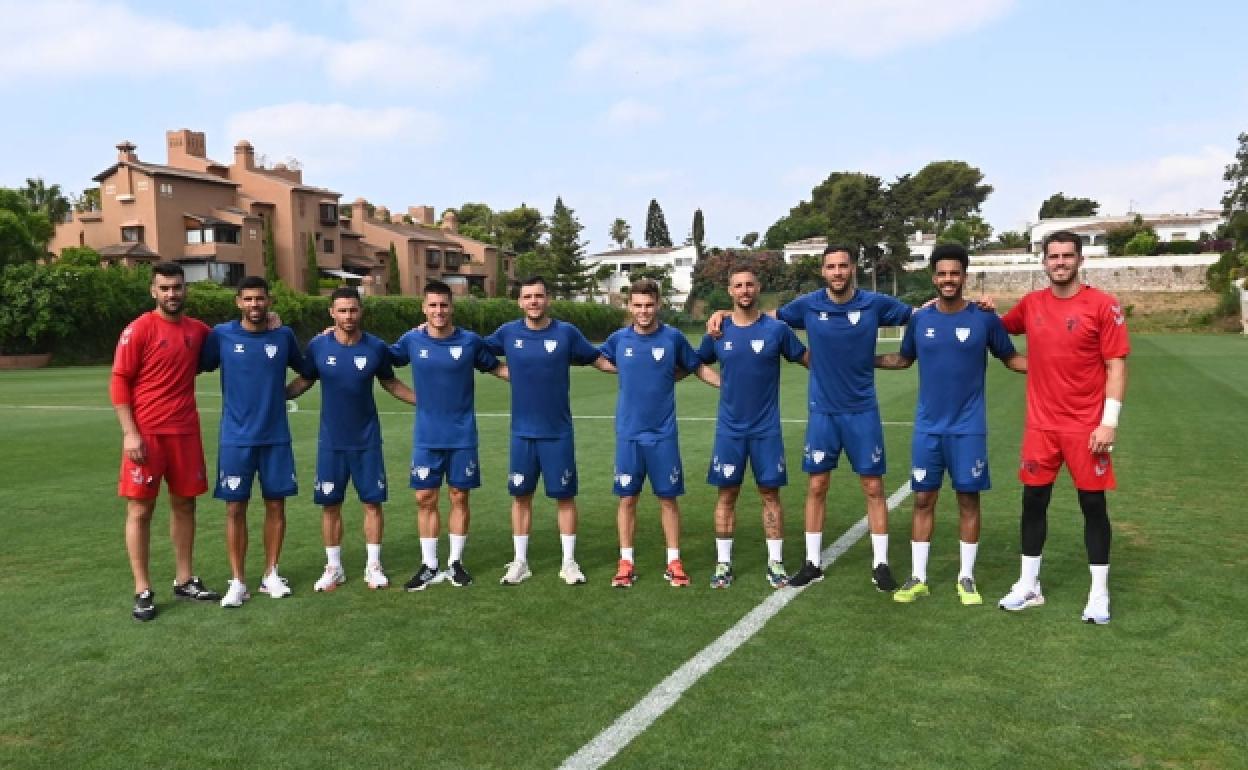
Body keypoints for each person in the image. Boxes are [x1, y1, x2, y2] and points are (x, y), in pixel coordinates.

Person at [714, 246, 914, 590]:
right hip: (822, 411)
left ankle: (881, 564)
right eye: (831, 267)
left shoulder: (876, 304)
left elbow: (923, 315)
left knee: (873, 486)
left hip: (862, 410)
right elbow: (761, 316)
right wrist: (722, 312)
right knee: (817, 485)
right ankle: (811, 562)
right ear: (823, 271)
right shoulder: (807, 305)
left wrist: (876, 359)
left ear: (853, 267)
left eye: (843, 265)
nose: (838, 272)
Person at [874, 243, 1025, 605]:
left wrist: (1055, 367)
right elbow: (903, 359)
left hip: (969, 429)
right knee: (923, 498)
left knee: (968, 500)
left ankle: (966, 577)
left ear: (964, 276)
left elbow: (1011, 358)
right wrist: (864, 360)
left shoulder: (984, 319)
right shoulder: (921, 319)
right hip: (928, 428)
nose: (948, 280)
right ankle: (918, 577)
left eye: (954, 273)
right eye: (941, 273)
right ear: (933, 277)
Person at [996, 230, 1129, 624]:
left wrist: (1109, 422)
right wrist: (980, 308)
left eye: (1067, 256)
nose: (1059, 263)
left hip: (1087, 427)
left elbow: (1116, 365)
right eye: (1053, 256)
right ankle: (1029, 585)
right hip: (1041, 427)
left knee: (1093, 505)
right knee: (1033, 502)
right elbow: (1000, 329)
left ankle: (1099, 593)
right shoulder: (1031, 304)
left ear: (1079, 260)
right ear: (1043, 261)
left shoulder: (1102, 305)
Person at [483, 275, 615, 586]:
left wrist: (641, 368)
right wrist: (502, 371)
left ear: (547, 299)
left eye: (539, 296)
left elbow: (599, 360)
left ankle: (569, 563)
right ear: (520, 302)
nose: (533, 301)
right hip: (522, 433)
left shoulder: (566, 333)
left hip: (558, 432)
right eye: (527, 296)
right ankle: (520, 562)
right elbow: (475, 351)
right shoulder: (507, 333)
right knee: (521, 497)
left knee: (565, 497)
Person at [286, 287, 416, 593]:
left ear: (361, 311)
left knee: (372, 503)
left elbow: (391, 383)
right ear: (331, 312)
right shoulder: (318, 346)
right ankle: (334, 568)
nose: (348, 316)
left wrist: (425, 401)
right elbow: (304, 380)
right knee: (330, 505)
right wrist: (274, 397)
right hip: (331, 442)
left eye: (353, 310)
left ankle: (373, 566)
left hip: (367, 440)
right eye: (342, 311)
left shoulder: (375, 347)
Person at [111, 262, 220, 621]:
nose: (172, 294)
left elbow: (234, 336)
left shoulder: (199, 331)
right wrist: (130, 433)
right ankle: (142, 589)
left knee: (185, 504)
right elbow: (119, 381)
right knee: (140, 510)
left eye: (177, 287)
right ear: (153, 291)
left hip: (185, 432)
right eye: (165, 288)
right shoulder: (139, 329)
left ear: (185, 290)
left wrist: (272, 322)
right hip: (147, 435)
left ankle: (185, 579)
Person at [601, 278, 720, 588]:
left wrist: (728, 386)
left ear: (659, 304)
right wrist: (623, 370)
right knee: (627, 498)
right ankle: (625, 561)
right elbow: (599, 360)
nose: (643, 311)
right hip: (628, 434)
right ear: (629, 306)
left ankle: (673, 561)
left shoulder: (673, 338)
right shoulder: (618, 340)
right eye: (638, 305)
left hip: (663, 434)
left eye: (649, 305)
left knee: (668, 499)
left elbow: (695, 367)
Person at [389, 280, 507, 591]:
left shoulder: (469, 342)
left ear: (452, 307)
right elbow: (381, 365)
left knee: (459, 496)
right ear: (423, 308)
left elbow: (498, 369)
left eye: (444, 305)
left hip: (461, 436)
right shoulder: (411, 341)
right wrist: (416, 398)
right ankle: (429, 565)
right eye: (433, 305)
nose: (439, 311)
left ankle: (455, 562)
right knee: (424, 498)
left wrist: (539, 376)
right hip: (427, 436)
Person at [696, 265, 807, 589]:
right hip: (730, 430)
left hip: (766, 430)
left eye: (750, 285)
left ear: (758, 288)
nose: (744, 290)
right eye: (738, 286)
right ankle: (723, 564)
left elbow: (806, 358)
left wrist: (842, 365)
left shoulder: (777, 330)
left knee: (769, 494)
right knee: (727, 494)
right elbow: (695, 362)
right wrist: (720, 382)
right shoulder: (718, 331)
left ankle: (775, 562)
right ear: (730, 291)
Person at [199, 276, 305, 608]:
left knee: (276, 505)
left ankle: (271, 573)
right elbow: (199, 363)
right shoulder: (222, 335)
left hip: (275, 437)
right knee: (235, 508)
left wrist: (282, 395)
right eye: (248, 299)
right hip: (235, 438)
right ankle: (238, 581)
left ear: (269, 301)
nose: (254, 305)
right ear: (238, 303)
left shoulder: (284, 336)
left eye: (260, 299)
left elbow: (307, 372)